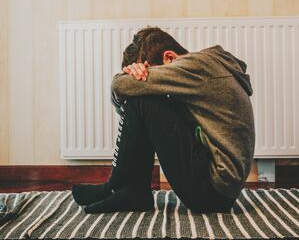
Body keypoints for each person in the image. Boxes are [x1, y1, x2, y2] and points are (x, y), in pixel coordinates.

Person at [72, 27, 255, 214]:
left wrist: (130, 80)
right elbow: (130, 107)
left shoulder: (198, 66)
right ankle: (127, 189)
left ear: (170, 58)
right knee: (145, 98)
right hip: (219, 189)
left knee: (144, 99)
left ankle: (120, 188)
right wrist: (131, 89)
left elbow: (120, 85)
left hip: (212, 192)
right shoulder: (206, 69)